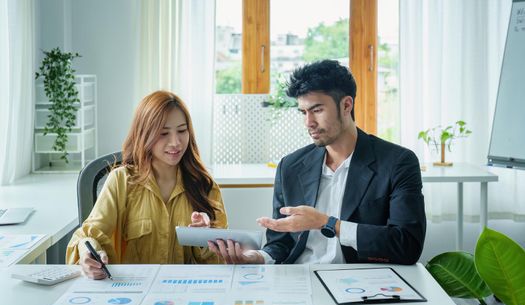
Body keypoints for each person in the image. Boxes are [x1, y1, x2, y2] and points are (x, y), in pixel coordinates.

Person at [209, 60, 426, 265]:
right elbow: (280, 244)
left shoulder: (397, 162)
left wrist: (328, 223)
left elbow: (407, 245)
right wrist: (258, 257)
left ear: (346, 105)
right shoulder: (290, 166)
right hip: (301, 279)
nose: (308, 122)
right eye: (303, 112)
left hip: (363, 281)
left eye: (317, 110)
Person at [66, 90, 227, 278]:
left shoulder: (205, 186)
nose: (175, 142)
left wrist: (204, 239)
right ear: (144, 134)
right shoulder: (121, 181)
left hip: (183, 293)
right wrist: (88, 254)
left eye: (182, 131)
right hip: (130, 293)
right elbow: (88, 236)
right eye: (163, 133)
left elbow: (219, 266)